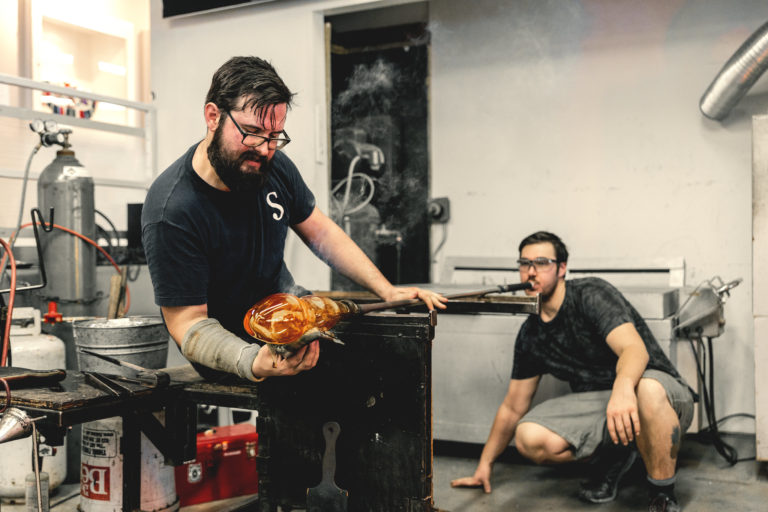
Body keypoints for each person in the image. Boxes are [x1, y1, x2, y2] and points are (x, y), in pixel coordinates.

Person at [142, 56, 446, 383]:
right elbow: (188, 323)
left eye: (274, 136)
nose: (264, 148)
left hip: (289, 311)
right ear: (213, 116)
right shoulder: (172, 210)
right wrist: (253, 361)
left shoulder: (274, 166)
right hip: (232, 344)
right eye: (252, 132)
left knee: (385, 362)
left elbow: (322, 233)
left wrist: (386, 290)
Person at [451, 231, 694, 512]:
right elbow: (513, 406)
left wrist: (623, 388)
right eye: (524, 263)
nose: (531, 272)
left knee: (647, 389)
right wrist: (485, 465)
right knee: (529, 437)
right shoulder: (531, 333)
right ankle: (614, 457)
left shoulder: (590, 295)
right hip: (604, 406)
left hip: (657, 392)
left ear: (562, 268)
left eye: (542, 263)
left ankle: (661, 496)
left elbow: (634, 350)